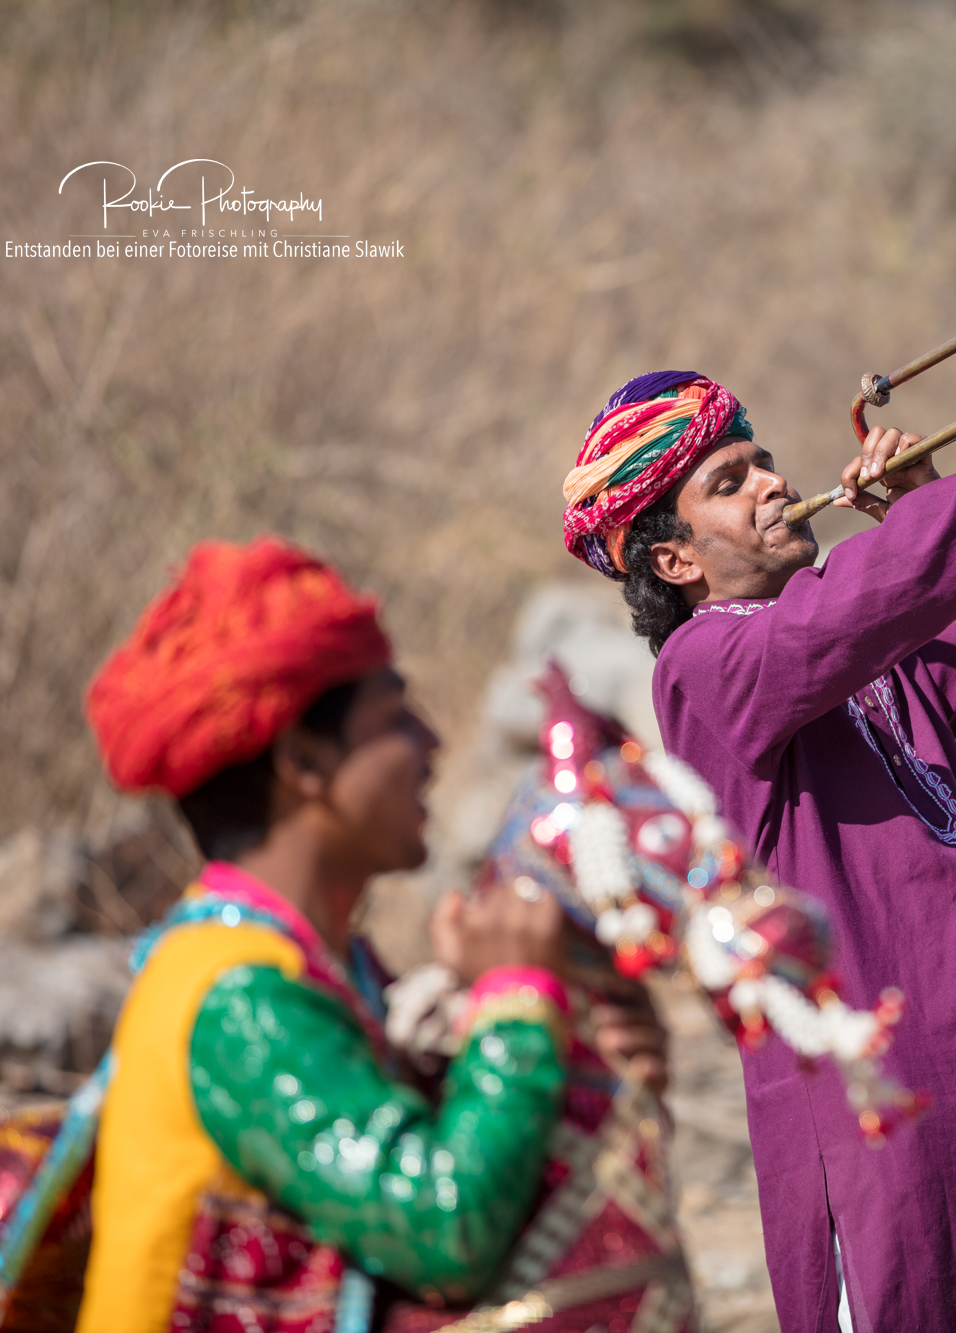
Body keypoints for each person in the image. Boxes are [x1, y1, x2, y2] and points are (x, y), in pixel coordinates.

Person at [559, 319, 956, 1331]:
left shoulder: (864, 641)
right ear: (672, 560)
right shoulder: (703, 671)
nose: (771, 483)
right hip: (877, 1133)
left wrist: (938, 500)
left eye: (762, 461)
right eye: (730, 483)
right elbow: (839, 616)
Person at [71, 537, 673, 1332]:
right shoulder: (240, 995)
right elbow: (443, 1227)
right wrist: (516, 1008)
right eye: (395, 718)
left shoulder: (319, 961)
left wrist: (583, 1049)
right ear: (303, 760)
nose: (431, 745)